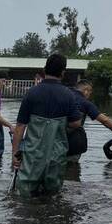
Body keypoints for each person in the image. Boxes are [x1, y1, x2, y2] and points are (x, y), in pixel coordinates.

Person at [11, 53, 82, 196]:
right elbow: (76, 123)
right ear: (63, 72)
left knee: (25, 195)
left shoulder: (32, 93)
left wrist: (14, 154)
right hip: (56, 154)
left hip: (33, 155)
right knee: (53, 195)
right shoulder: (68, 95)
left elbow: (20, 126)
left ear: (44, 69)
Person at [66, 80, 112, 160]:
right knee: (72, 164)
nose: (89, 95)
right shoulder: (85, 103)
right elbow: (104, 120)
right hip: (73, 142)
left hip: (55, 139)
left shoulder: (64, 94)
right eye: (90, 92)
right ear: (86, 90)